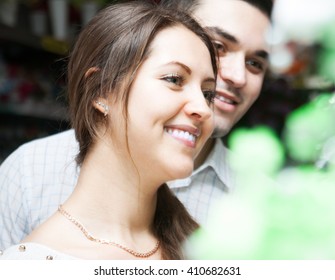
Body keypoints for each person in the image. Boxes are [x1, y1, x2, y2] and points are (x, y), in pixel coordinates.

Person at [0, 0, 273, 250]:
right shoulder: (30, 171)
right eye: (219, 47)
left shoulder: (265, 202)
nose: (238, 76)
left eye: (255, 63)